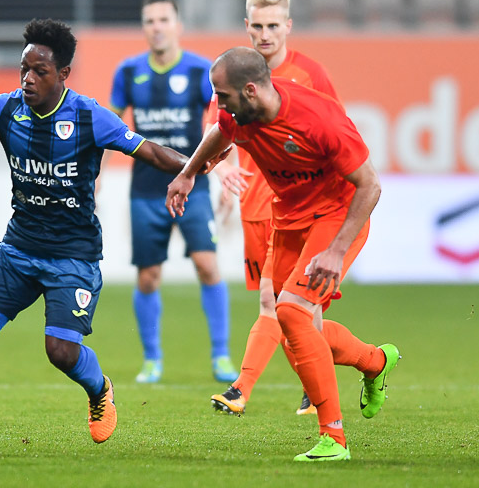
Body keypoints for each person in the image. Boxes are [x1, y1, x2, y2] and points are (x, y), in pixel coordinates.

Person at [0, 18, 221, 456]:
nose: (28, 79)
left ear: (63, 74)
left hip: (72, 255)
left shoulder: (90, 116)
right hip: (19, 248)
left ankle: (99, 387)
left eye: (40, 71)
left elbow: (148, 150)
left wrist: (195, 165)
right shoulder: (5, 109)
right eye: (24, 69)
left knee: (60, 352)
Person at [166, 46, 400, 461]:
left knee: (290, 312)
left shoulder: (319, 119)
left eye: (223, 95)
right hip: (290, 218)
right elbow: (220, 131)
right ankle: (376, 361)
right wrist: (188, 174)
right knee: (299, 334)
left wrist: (336, 251)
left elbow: (371, 185)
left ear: (251, 90)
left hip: (335, 217)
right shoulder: (238, 114)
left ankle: (334, 438)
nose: (218, 103)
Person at [209, 0, 342, 416]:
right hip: (256, 206)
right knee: (287, 306)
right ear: (246, 27)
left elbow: (337, 134)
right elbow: (218, 132)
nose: (265, 35)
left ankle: (245, 389)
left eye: (273, 26)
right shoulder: (232, 75)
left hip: (303, 209)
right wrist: (223, 170)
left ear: (288, 26)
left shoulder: (311, 74)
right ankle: (327, 380)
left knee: (285, 303)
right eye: (258, 26)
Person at [108, 0, 236, 384]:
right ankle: (152, 360)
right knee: (148, 276)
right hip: (146, 191)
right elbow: (109, 129)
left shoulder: (201, 71)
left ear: (178, 25)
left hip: (194, 186)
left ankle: (221, 356)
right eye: (150, 21)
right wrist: (93, 177)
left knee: (207, 265)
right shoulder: (128, 72)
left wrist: (228, 172)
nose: (157, 27)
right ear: (143, 27)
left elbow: (225, 124)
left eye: (164, 20)